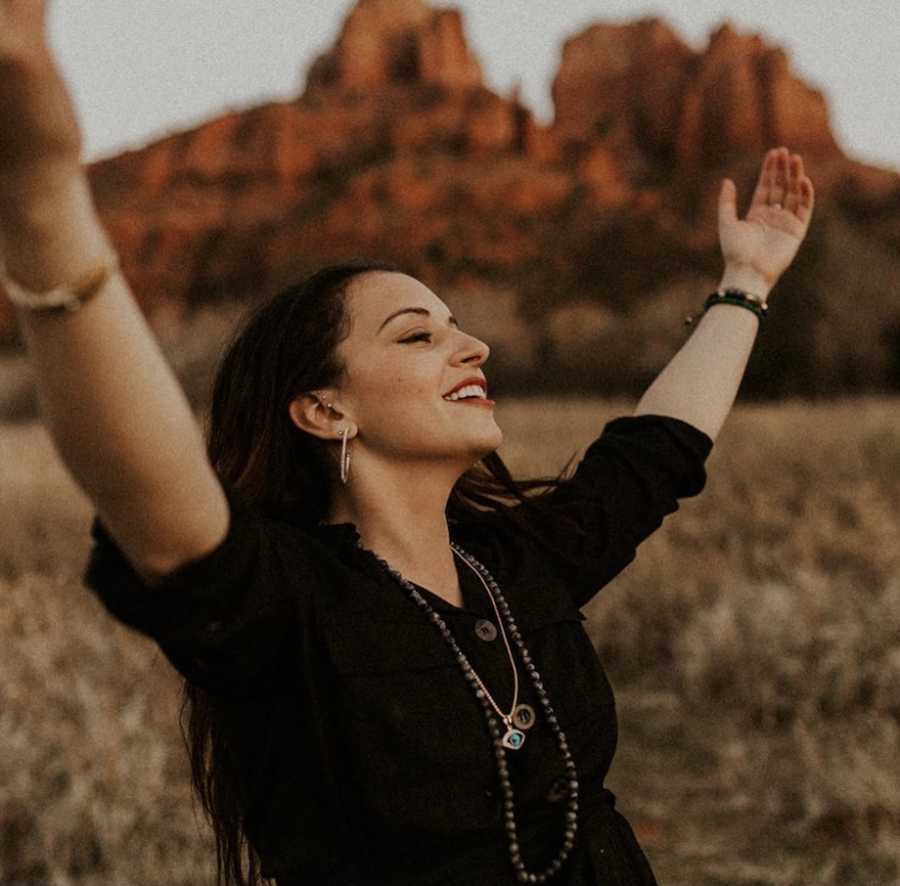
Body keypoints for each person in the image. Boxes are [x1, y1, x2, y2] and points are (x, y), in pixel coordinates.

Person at [0, 3, 815, 884]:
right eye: (416, 335)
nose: (474, 347)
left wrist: (746, 281)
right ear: (323, 411)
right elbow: (152, 499)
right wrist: (45, 203)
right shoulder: (293, 607)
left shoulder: (516, 563)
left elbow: (657, 449)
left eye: (457, 325)